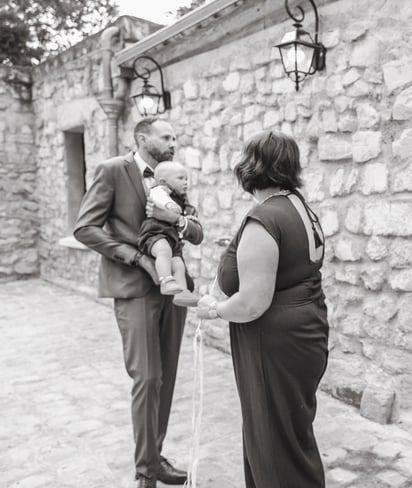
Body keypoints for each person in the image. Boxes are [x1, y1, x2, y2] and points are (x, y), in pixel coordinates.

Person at [74, 117, 202, 488]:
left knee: (166, 378)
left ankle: (155, 458)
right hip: (134, 289)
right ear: (143, 138)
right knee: (147, 378)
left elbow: (195, 231)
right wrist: (137, 258)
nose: (174, 142)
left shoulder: (173, 176)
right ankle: (146, 472)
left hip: (174, 290)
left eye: (176, 136)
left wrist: (176, 221)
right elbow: (85, 228)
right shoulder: (113, 170)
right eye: (166, 136)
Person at [196, 131, 328, 488]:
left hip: (272, 346)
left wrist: (214, 309)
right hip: (303, 334)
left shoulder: (265, 217)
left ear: (250, 166)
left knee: (275, 446)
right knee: (288, 438)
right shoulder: (298, 205)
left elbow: (252, 303)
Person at [137, 161, 199, 306]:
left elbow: (193, 228)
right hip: (154, 233)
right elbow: (157, 196)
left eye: (186, 179)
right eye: (180, 179)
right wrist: (168, 205)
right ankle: (165, 280)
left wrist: (184, 218)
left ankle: (182, 293)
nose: (185, 183)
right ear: (164, 181)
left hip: (172, 238)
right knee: (163, 251)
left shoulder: (183, 200)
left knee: (178, 265)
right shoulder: (160, 190)